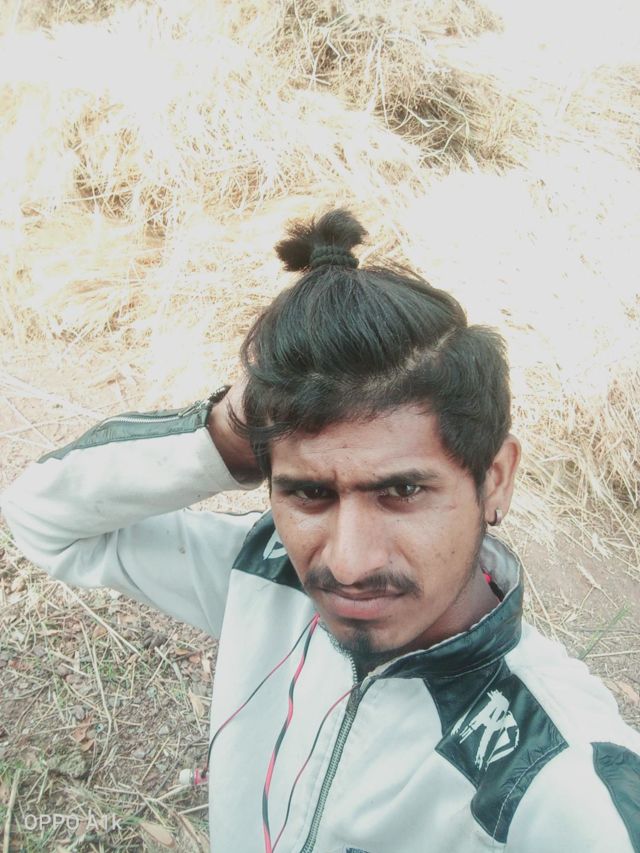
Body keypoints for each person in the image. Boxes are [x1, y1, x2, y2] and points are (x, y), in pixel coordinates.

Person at [2, 209, 639, 853]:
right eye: (309, 493)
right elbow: (46, 520)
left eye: (402, 492)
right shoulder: (264, 574)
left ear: (494, 479)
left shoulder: (551, 777)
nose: (349, 565)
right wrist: (226, 431)